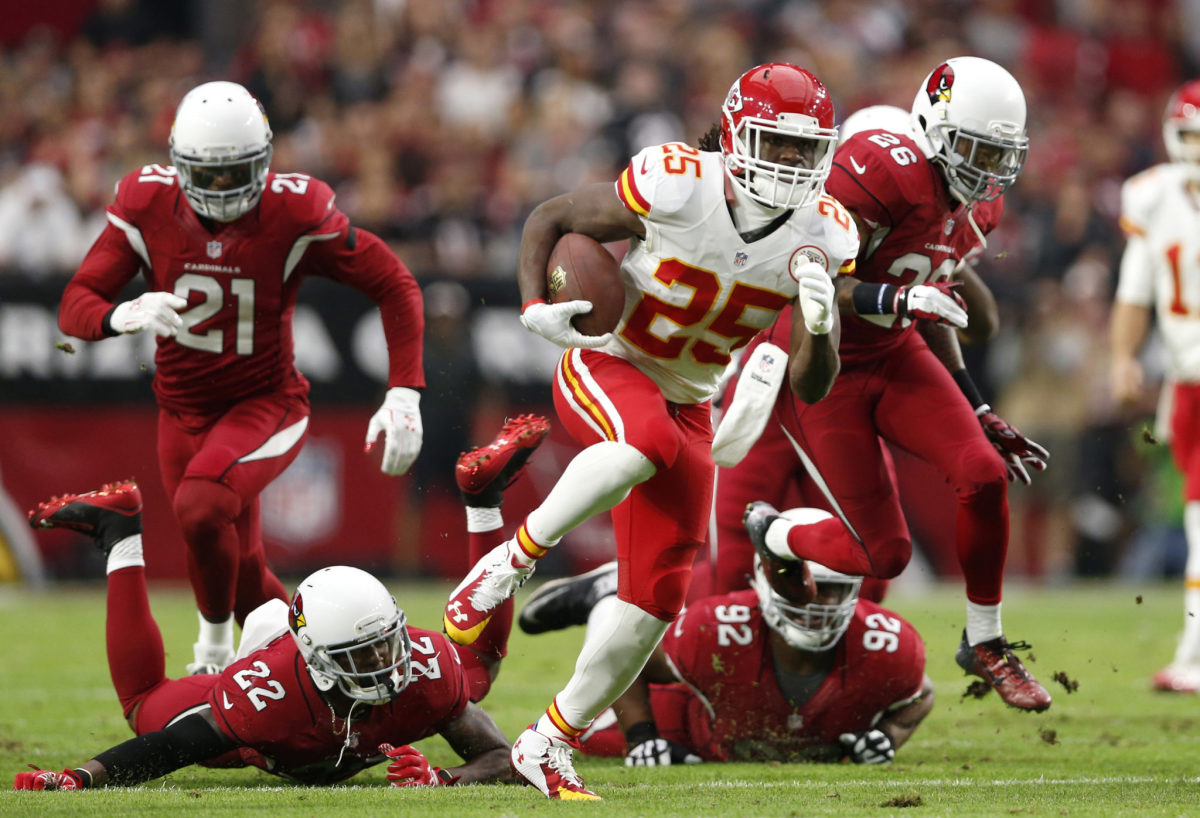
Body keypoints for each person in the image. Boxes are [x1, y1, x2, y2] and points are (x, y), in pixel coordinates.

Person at [442, 62, 860, 799]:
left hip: (690, 397)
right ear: (736, 133)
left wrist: (822, 327)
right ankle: (505, 564)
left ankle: (546, 742)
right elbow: (552, 216)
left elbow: (813, 386)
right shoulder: (678, 183)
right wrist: (534, 302)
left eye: (806, 148)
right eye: (778, 143)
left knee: (655, 600)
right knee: (645, 446)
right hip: (611, 362)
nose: (793, 163)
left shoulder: (824, 233)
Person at [716, 57, 1052, 712]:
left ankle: (985, 641)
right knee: (887, 554)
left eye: (998, 154)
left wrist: (975, 402)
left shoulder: (978, 204)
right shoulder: (885, 167)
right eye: (973, 148)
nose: (985, 168)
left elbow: (939, 303)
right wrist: (899, 299)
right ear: (932, 126)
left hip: (895, 354)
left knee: (982, 474)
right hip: (823, 362)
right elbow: (804, 275)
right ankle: (777, 533)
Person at [56, 81, 425, 675]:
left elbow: (394, 282)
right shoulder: (147, 202)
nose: (224, 188)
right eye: (210, 174)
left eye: (237, 172)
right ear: (178, 163)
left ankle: (214, 654)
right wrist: (119, 314)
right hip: (179, 411)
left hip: (265, 403)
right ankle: (327, 677)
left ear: (265, 160)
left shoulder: (293, 210)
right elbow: (77, 299)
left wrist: (404, 389)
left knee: (201, 507)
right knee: (245, 573)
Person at [14, 415, 550, 790]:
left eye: (386, 644)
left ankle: (483, 503)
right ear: (317, 658)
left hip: (305, 639)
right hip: (271, 665)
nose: (387, 665)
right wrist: (80, 777)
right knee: (142, 706)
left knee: (476, 664)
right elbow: (170, 748)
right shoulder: (268, 699)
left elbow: (500, 756)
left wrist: (443, 779)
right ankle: (121, 533)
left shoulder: (422, 668)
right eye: (362, 656)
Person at [700, 102, 1001, 605]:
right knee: (731, 563)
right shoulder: (795, 218)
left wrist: (934, 258)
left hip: (845, 386)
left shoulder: (924, 213)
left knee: (871, 570)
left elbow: (979, 322)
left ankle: (844, 673)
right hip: (766, 388)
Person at [517, 507, 933, 766]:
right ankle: (609, 595)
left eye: (834, 589)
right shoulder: (719, 631)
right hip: (688, 723)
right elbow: (627, 660)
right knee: (598, 707)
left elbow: (921, 694)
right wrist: (642, 737)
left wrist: (890, 737)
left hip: (724, 728)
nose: (819, 603)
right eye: (809, 586)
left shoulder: (885, 644)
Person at [1110, 78, 1200, 694]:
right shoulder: (1152, 195)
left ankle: (1192, 658)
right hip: (1188, 379)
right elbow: (1134, 288)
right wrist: (1122, 357)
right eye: (1191, 134)